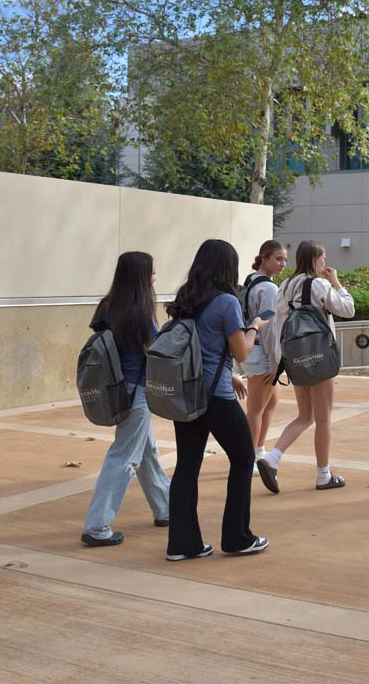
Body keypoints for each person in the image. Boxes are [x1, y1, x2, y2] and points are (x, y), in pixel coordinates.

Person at [164, 239, 269, 561]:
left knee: (187, 466)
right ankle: (237, 538)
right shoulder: (226, 302)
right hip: (216, 395)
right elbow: (241, 352)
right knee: (242, 458)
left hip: (187, 393)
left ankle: (183, 544)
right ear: (229, 267)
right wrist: (253, 328)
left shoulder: (186, 299)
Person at [80, 252, 171, 547]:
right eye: (152, 271)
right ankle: (97, 526)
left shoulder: (108, 305)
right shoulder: (141, 310)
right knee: (124, 456)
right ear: (141, 276)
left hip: (116, 388)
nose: (155, 276)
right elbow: (153, 349)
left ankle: (167, 509)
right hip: (137, 392)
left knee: (146, 452)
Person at [256, 240, 355, 493]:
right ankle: (323, 475)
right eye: (322, 258)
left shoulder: (285, 286)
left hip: (295, 359)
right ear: (314, 260)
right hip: (320, 357)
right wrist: (337, 283)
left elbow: (279, 326)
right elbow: (348, 309)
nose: (325, 263)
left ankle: (272, 458)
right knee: (323, 420)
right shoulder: (319, 284)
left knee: (305, 415)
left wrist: (280, 363)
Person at [239, 240, 288, 470]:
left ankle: (259, 451)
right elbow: (268, 327)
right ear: (264, 258)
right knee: (256, 409)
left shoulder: (251, 281)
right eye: (278, 259)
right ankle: (249, 461)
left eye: (285, 259)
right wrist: (274, 362)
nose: (283, 264)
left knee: (271, 402)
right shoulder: (268, 288)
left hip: (254, 350)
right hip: (261, 353)